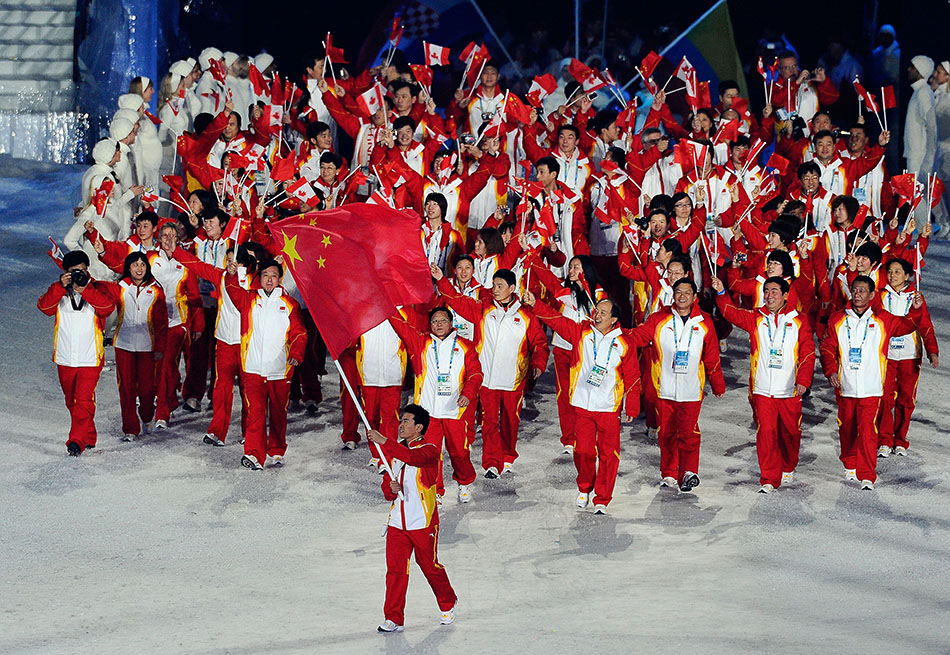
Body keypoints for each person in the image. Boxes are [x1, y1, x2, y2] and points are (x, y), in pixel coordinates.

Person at [523, 291, 640, 513]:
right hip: (583, 406)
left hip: (608, 407)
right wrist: (536, 304)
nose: (597, 315)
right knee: (584, 452)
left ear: (614, 319)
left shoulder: (624, 342)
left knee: (608, 455)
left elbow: (633, 375)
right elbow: (557, 321)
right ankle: (585, 487)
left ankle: (602, 498)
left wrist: (631, 405)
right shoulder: (582, 332)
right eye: (596, 311)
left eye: (603, 313)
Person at [434, 266, 549, 478]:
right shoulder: (483, 308)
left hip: (513, 380)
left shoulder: (525, 315)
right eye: (494, 285)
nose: (494, 289)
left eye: (500, 286)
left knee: (510, 420)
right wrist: (441, 280)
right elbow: (456, 301)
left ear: (512, 288)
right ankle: (491, 463)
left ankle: (508, 455)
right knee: (489, 422)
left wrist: (538, 365)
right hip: (486, 379)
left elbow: (540, 344)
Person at [819, 276, 925, 489]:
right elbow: (827, 347)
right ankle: (850, 463)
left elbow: (907, 325)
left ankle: (867, 474)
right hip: (846, 386)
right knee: (847, 428)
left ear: (872, 295)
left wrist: (915, 309)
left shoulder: (883, 319)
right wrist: (830, 370)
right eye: (854, 290)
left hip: (872, 387)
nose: (857, 294)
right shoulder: (838, 319)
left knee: (868, 431)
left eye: (862, 291)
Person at [712, 275, 815, 492]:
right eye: (766, 291)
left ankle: (788, 465)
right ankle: (768, 478)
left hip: (789, 389)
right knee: (766, 433)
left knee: (790, 433)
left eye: (774, 291)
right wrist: (721, 292)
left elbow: (807, 353)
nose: (769, 296)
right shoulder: (756, 317)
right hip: (762, 388)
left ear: (786, 295)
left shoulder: (799, 320)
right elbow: (730, 312)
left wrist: (803, 381)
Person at [628, 278, 726, 491]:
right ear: (673, 295)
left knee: (689, 432)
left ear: (694, 297)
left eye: (687, 293)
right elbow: (640, 336)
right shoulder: (659, 319)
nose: (682, 296)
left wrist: (717, 384)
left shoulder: (704, 322)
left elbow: (711, 356)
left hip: (691, 389)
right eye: (678, 292)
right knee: (667, 433)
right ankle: (670, 473)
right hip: (665, 387)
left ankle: (688, 472)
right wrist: (618, 336)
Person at [368, 405, 457, 633]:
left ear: (419, 427)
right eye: (401, 421)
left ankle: (447, 602)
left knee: (429, 566)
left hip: (422, 522)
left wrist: (384, 441)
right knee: (395, 570)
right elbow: (387, 490)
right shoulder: (396, 453)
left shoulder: (429, 451)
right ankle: (393, 618)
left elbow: (412, 457)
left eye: (406, 421)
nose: (401, 425)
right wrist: (391, 486)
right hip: (397, 522)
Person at [388, 307, 484, 503]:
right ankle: (435, 491)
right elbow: (400, 325)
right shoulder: (421, 342)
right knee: (431, 454)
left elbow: (476, 374)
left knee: (459, 452)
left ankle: (464, 482)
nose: (438, 325)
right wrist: (387, 306)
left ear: (451, 323)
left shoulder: (465, 346)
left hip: (455, 411)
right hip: (428, 411)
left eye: (442, 321)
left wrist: (467, 393)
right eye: (434, 321)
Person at [224, 258, 306, 469]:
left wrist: (296, 353)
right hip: (252, 368)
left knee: (279, 412)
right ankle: (253, 454)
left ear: (279, 279)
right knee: (256, 413)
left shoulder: (289, 304)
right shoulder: (249, 299)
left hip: (280, 369)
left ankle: (277, 449)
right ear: (259, 278)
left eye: (274, 276)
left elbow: (299, 333)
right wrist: (232, 275)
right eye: (265, 276)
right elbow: (233, 290)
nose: (269, 280)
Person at [37, 251, 116, 456]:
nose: (78, 275)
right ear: (66, 273)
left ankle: (76, 441)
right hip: (64, 356)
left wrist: (85, 289)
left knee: (83, 400)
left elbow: (108, 308)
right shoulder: (59, 291)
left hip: (91, 357)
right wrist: (59, 287)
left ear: (87, 270)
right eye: (73, 272)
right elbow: (44, 307)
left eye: (81, 271)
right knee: (71, 400)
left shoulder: (98, 288)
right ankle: (89, 435)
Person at [97, 252, 168, 441]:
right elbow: (100, 287)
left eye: (142, 265)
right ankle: (130, 428)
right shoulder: (121, 287)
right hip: (124, 344)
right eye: (135, 265)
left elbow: (162, 323)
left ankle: (146, 416)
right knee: (126, 388)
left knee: (147, 389)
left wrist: (160, 349)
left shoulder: (156, 290)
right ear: (128, 268)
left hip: (147, 346)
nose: (139, 268)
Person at [876, 258, 939, 456]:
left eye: (897, 272)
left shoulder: (916, 297)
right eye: (890, 271)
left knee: (906, 399)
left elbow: (926, 325)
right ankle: (885, 440)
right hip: (887, 355)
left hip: (910, 355)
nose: (892, 275)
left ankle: (900, 440)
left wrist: (932, 351)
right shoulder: (880, 295)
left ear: (907, 275)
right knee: (885, 398)